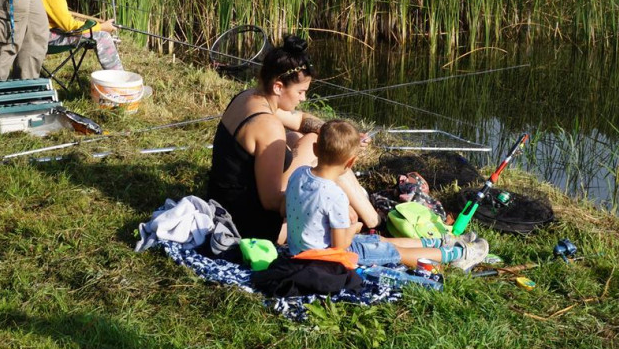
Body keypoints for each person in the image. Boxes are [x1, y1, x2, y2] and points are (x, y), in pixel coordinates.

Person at [207, 35, 381, 242]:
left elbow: (300, 120)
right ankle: (374, 221)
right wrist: (327, 202)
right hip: (249, 224)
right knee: (314, 146)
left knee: (295, 136)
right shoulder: (268, 126)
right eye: (300, 91)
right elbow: (271, 202)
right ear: (278, 87)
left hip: (220, 200)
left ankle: (370, 217)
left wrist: (340, 136)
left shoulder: (248, 98)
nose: (303, 98)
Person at [285, 119, 489, 271]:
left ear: (314, 149)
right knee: (393, 253)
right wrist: (354, 226)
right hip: (325, 259)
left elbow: (285, 207)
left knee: (380, 242)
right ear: (351, 163)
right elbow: (340, 247)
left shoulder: (298, 174)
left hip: (305, 250)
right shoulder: (334, 195)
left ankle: (440, 242)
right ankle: (457, 255)